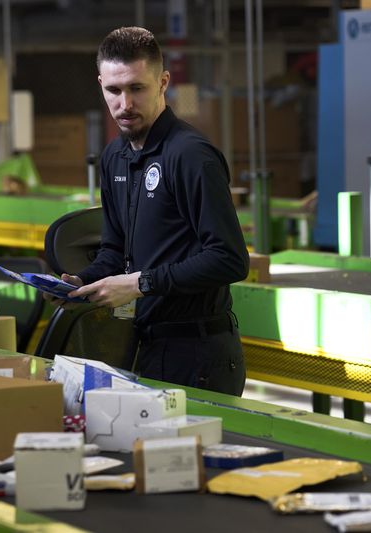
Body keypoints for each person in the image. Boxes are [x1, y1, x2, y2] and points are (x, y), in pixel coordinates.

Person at [62, 26, 250, 396]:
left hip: (199, 355)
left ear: (163, 82)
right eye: (113, 90)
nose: (125, 104)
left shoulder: (190, 156)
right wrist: (83, 281)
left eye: (137, 88)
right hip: (144, 345)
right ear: (100, 84)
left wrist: (137, 284)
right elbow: (115, 252)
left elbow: (230, 259)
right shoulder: (116, 157)